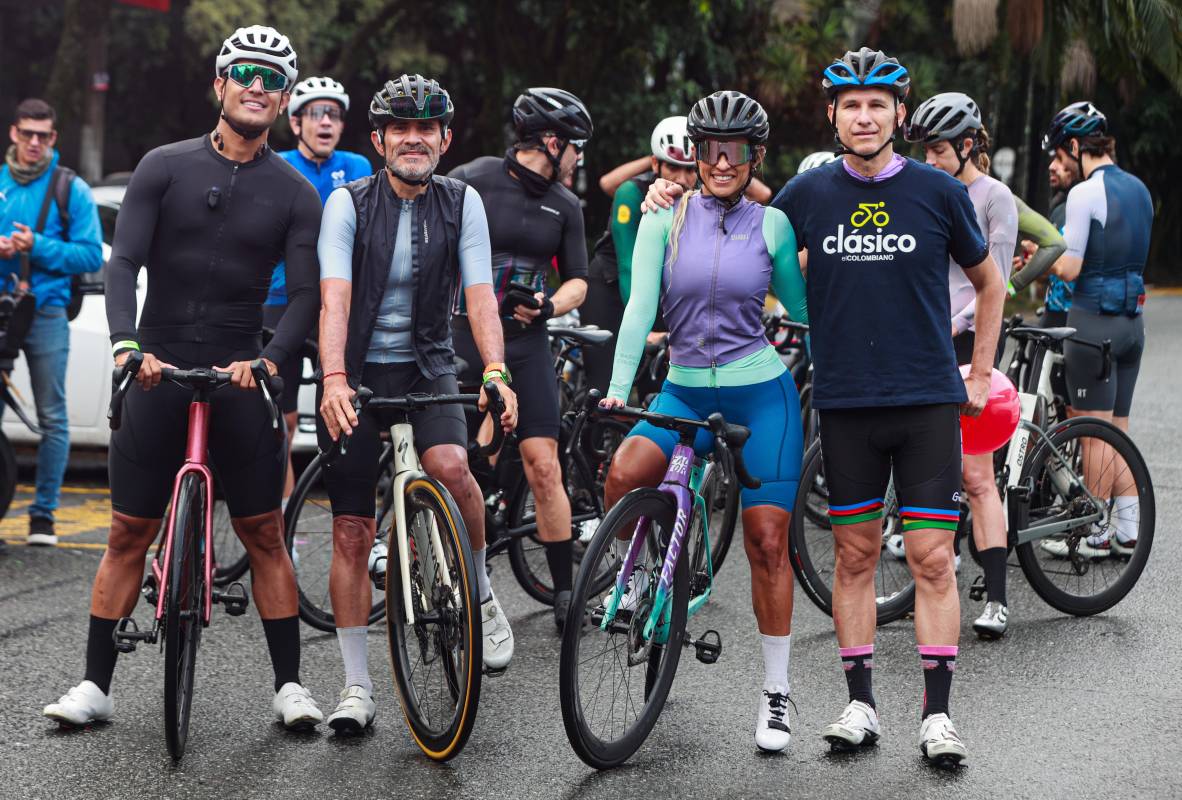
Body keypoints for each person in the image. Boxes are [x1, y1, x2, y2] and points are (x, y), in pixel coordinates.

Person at [645, 48, 1005, 766]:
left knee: (932, 558)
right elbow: (737, 220)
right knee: (854, 555)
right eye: (851, 105)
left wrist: (980, 373)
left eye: (878, 104)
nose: (864, 116)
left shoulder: (939, 192)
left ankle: (937, 717)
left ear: (899, 115)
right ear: (834, 116)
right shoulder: (806, 198)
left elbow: (991, 285)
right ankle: (860, 703)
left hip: (929, 399)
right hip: (845, 405)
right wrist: (672, 198)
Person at [43, 25, 324, 730]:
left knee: (263, 533)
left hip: (240, 373)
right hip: (156, 371)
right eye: (246, 74)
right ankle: (94, 685)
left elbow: (305, 297)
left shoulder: (294, 192)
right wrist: (126, 347)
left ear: (283, 99)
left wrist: (267, 362)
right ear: (221, 83)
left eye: (271, 79)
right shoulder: (163, 167)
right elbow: (121, 263)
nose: (257, 87)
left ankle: (289, 685)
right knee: (127, 532)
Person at [603, 90, 808, 754]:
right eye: (710, 149)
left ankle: (776, 693)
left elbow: (802, 311)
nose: (722, 161)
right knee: (624, 472)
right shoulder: (663, 219)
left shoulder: (772, 224)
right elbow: (638, 307)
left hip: (760, 394)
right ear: (694, 155)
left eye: (736, 149)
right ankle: (638, 582)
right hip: (684, 390)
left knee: (767, 542)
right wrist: (615, 387)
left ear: (754, 155)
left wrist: (836, 377)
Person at [316, 74, 518, 728]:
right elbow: (335, 298)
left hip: (430, 364)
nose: (413, 139)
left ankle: (482, 594)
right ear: (378, 140)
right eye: (399, 129)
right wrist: (334, 379)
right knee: (351, 529)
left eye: (425, 128)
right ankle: (355, 687)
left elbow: (482, 296)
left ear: (445, 139)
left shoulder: (464, 203)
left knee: (454, 469)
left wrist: (494, 369)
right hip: (360, 372)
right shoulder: (348, 203)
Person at [899, 91, 1066, 639]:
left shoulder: (994, 197)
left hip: (969, 342)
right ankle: (934, 575)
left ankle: (996, 598)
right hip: (924, 340)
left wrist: (956, 322)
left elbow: (992, 277)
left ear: (968, 146)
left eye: (940, 150)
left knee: (975, 474)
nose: (929, 160)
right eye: (924, 150)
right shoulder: (924, 190)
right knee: (925, 466)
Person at [448, 87, 591, 639]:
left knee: (544, 465)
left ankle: (561, 590)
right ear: (552, 142)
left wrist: (550, 304)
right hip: (460, 333)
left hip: (528, 344)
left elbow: (577, 279)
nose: (579, 160)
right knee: (456, 463)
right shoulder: (473, 178)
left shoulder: (567, 205)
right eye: (575, 148)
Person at [1042, 102, 1152, 559]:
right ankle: (1128, 528)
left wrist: (1042, 251)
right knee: (1119, 429)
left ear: (1073, 146)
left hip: (1092, 322)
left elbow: (1069, 267)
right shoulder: (1142, 190)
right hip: (1132, 324)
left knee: (1092, 431)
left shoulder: (1086, 193)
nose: (1060, 162)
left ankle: (1097, 532)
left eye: (1060, 152)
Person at [0, 98, 102, 546]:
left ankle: (43, 516)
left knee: (52, 416)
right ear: (14, 134)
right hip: (3, 310)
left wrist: (34, 245)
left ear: (54, 139)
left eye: (43, 136)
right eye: (28, 134)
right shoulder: (1, 182)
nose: (35, 143)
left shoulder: (70, 188)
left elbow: (89, 254)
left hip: (45, 311)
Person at [267, 77, 371, 505]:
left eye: (334, 114)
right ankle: (282, 523)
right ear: (296, 122)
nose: (326, 122)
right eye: (316, 113)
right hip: (282, 301)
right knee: (281, 421)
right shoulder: (277, 164)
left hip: (339, 304)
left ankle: (353, 515)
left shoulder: (360, 166)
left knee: (346, 409)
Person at [581, 116, 697, 395]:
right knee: (604, 389)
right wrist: (644, 330)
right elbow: (628, 266)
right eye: (672, 166)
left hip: (656, 294)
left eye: (690, 169)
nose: (681, 178)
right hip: (610, 288)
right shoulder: (631, 193)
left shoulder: (701, 199)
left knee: (659, 391)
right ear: (655, 164)